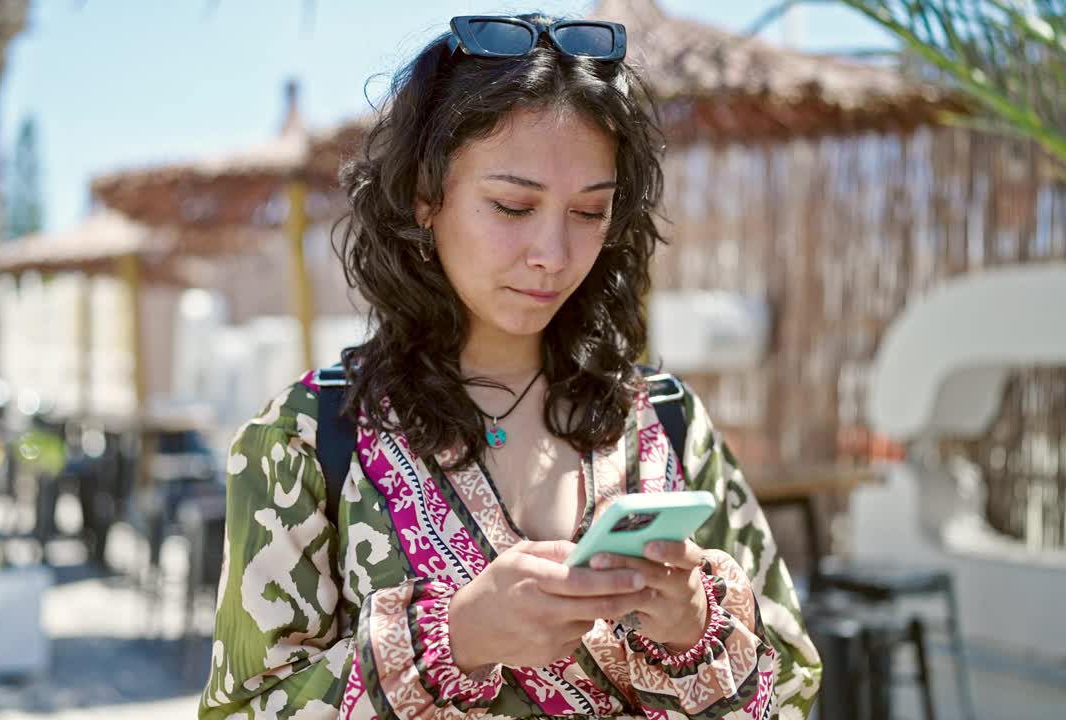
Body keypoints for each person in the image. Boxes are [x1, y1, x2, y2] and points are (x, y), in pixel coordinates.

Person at [199, 13, 821, 720]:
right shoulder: (306, 441)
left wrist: (691, 631)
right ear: (423, 198)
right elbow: (243, 709)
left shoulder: (668, 423)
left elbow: (795, 686)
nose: (553, 254)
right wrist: (455, 639)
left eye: (590, 212)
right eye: (513, 205)